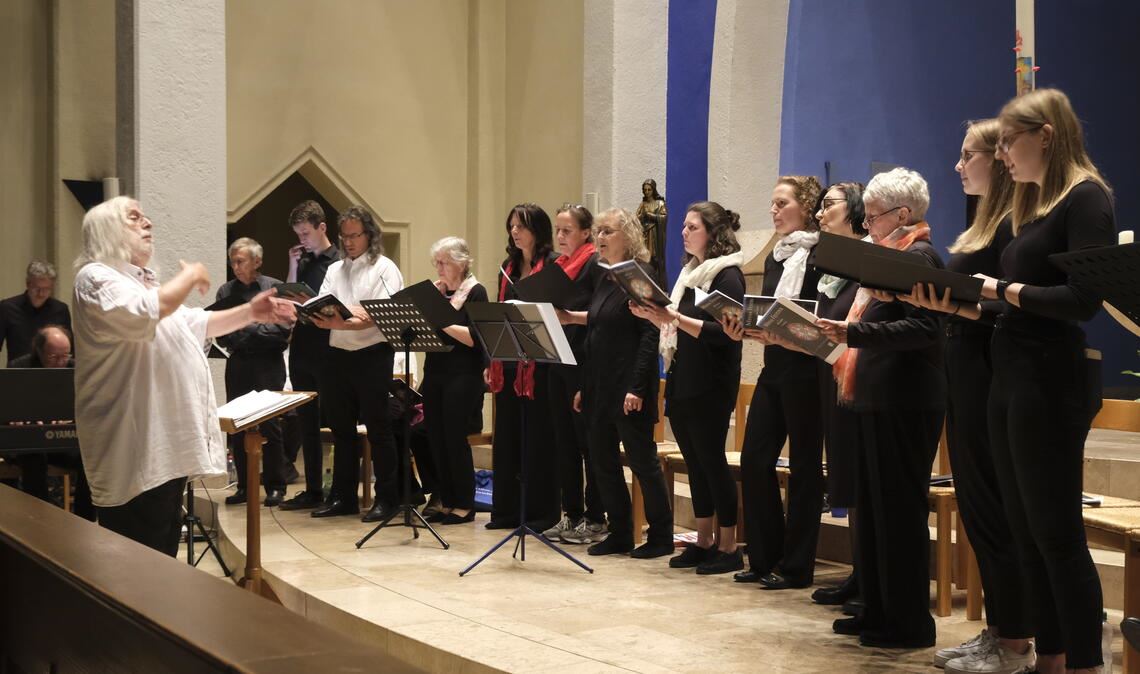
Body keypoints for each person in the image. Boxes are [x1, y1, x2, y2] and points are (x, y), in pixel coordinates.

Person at [921, 89, 1114, 674]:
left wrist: (999, 290)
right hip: (1010, 376)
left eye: (1008, 141)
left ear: (1046, 137)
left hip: (1049, 382)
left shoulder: (1086, 198)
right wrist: (966, 305)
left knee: (1056, 535)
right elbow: (1015, 304)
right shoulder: (1033, 205)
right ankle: (1048, 659)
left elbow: (1084, 299)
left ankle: (1083, 662)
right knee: (1026, 533)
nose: (1002, 154)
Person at [72, 196, 296, 555]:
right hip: (134, 448)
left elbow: (195, 322)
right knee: (137, 565)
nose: (148, 224)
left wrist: (251, 312)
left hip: (164, 449)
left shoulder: (143, 283)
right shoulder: (96, 278)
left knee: (160, 558)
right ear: (107, 230)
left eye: (146, 216)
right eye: (134, 218)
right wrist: (190, 275)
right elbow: (150, 311)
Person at [906, 120, 1031, 673]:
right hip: (963, 371)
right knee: (979, 511)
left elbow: (1007, 304)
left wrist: (956, 303)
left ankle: (1016, 642)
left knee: (995, 512)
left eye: (967, 155)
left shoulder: (1011, 225)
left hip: (987, 376)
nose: (958, 166)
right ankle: (999, 631)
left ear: (997, 160)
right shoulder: (982, 222)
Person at [816, 168, 945, 649]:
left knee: (898, 514)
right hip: (875, 398)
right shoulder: (885, 257)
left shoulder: (921, 256)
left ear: (903, 214)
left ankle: (908, 623)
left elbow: (927, 330)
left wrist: (853, 334)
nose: (866, 223)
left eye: (873, 216)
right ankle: (876, 608)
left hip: (906, 402)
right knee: (872, 512)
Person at [630, 201, 745, 575]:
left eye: (692, 226)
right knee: (694, 464)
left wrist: (673, 317)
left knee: (712, 462)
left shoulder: (727, 276)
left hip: (712, 380)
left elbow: (725, 335)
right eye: (683, 226)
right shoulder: (689, 274)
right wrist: (654, 314)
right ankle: (705, 539)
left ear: (713, 234)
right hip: (683, 376)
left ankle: (729, 546)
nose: (683, 232)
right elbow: (675, 323)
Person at [724, 176, 826, 591]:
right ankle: (763, 557)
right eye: (772, 203)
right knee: (754, 458)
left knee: (804, 467)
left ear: (805, 206)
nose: (773, 210)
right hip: (775, 366)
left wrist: (787, 330)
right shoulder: (776, 258)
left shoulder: (822, 255)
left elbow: (820, 316)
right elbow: (767, 312)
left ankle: (797, 566)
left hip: (809, 370)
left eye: (781, 203)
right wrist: (746, 329)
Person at [559, 208, 674, 558]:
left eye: (608, 231)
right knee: (602, 461)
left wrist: (638, 387)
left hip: (628, 385)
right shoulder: (603, 274)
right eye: (598, 232)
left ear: (628, 236)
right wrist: (583, 384)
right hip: (598, 383)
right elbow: (598, 325)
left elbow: (648, 332)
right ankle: (620, 532)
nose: (600, 238)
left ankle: (660, 536)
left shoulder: (641, 274)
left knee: (642, 462)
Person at [308, 206, 405, 522]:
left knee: (378, 429)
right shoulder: (335, 270)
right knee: (341, 430)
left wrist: (344, 320)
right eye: (344, 236)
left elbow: (376, 314)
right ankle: (343, 496)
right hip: (337, 356)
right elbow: (324, 306)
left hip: (373, 355)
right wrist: (337, 319)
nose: (348, 242)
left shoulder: (384, 268)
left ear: (369, 235)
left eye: (354, 235)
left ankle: (388, 499)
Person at [485, 203, 560, 532]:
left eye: (521, 226)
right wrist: (492, 360)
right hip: (510, 361)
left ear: (537, 230)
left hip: (541, 364)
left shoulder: (553, 265)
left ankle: (540, 513)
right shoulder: (508, 267)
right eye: (511, 226)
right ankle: (506, 511)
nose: (514, 232)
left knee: (538, 439)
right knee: (508, 438)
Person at [543, 204, 607, 545]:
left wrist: (570, 316)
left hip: (584, 360)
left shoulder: (594, 264)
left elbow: (600, 312)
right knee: (564, 442)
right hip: (558, 358)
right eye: (557, 230)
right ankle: (571, 514)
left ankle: (596, 517)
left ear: (585, 233)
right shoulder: (557, 266)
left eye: (567, 230)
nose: (560, 236)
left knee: (587, 444)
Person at [217, 237, 291, 507]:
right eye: (232, 261)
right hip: (238, 363)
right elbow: (223, 334)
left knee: (270, 424)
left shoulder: (273, 289)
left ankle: (275, 486)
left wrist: (245, 325)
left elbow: (281, 334)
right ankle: (244, 487)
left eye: (240, 261)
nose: (235, 266)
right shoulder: (225, 291)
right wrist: (254, 328)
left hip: (268, 364)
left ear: (257, 261)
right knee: (237, 424)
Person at [420, 236, 487, 525]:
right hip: (435, 371)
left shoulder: (476, 291)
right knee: (434, 435)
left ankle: (464, 503)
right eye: (437, 262)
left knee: (453, 438)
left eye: (444, 262)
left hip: (464, 374)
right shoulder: (438, 292)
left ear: (461, 263)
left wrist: (441, 318)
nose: (439, 268)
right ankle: (445, 499)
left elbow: (475, 338)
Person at [279, 200, 340, 511]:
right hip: (302, 348)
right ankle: (313, 489)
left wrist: (312, 300)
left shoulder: (338, 261)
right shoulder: (303, 261)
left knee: (336, 421)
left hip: (328, 349)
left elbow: (338, 304)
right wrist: (292, 265)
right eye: (298, 234)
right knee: (306, 423)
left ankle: (337, 491)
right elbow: (290, 297)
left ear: (322, 228)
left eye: (305, 233)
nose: (302, 239)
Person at [9, 325, 95, 521]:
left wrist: (71, 419)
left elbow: (89, 406)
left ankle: (84, 521)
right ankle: (40, 520)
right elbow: (10, 409)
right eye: (54, 357)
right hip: (29, 442)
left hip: (61, 440)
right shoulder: (19, 367)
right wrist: (27, 420)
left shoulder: (76, 368)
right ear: (39, 351)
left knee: (89, 459)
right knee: (33, 456)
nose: (61, 362)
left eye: (65, 355)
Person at [1, 260, 72, 365]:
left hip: (54, 373)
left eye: (46, 289)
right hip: (19, 373)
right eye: (37, 288)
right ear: (28, 284)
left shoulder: (61, 309)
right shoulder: (7, 308)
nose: (41, 294)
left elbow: (70, 349)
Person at [635, 179, 668, 283]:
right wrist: (641, 216)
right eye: (645, 190)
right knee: (645, 258)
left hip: (655, 235)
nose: (647, 192)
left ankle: (658, 282)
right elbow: (636, 218)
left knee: (655, 258)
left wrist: (650, 215)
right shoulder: (643, 204)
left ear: (653, 190)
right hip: (645, 233)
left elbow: (664, 217)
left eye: (649, 189)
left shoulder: (660, 203)